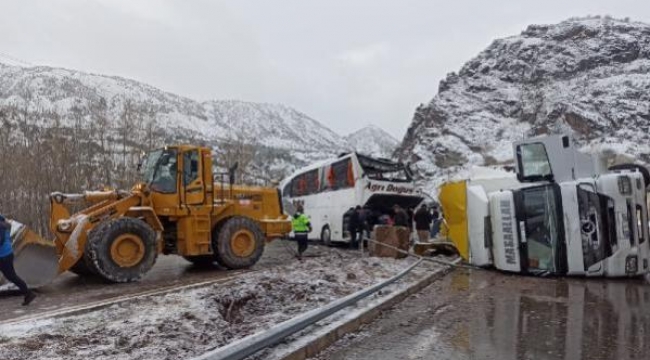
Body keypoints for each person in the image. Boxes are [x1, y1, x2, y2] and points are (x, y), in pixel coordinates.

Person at [0, 215, 36, 306]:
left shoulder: (1, 226)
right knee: (11, 276)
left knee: (12, 276)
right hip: (5, 254)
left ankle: (28, 293)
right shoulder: (4, 224)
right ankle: (28, 293)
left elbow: (0, 240)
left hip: (4, 255)